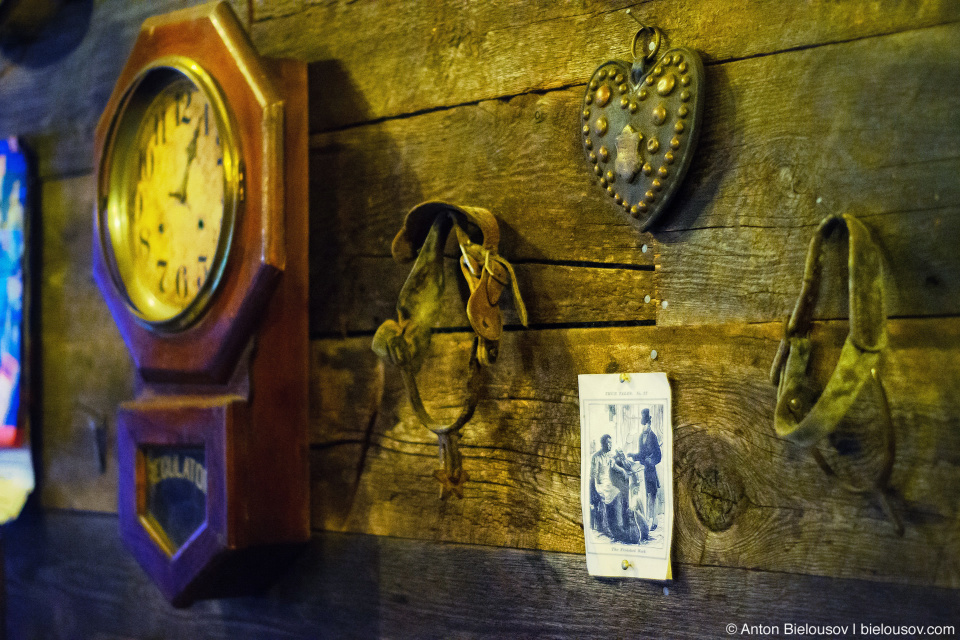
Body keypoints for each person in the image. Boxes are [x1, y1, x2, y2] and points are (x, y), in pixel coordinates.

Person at [590, 434, 629, 541]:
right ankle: (606, 528)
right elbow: (594, 475)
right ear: (603, 444)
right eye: (608, 443)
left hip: (608, 484)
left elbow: (614, 467)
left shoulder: (609, 456)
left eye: (611, 443)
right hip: (600, 484)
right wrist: (595, 490)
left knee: (618, 493)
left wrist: (623, 471)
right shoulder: (596, 457)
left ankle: (619, 526)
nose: (610, 445)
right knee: (607, 496)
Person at [628, 408, 661, 531]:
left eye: (647, 424)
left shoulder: (653, 437)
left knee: (652, 495)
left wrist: (651, 461)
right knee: (646, 495)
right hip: (643, 471)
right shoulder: (641, 436)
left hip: (651, 470)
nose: (645, 426)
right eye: (644, 424)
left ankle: (654, 520)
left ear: (650, 423)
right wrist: (633, 455)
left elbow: (658, 456)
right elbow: (641, 454)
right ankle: (647, 521)